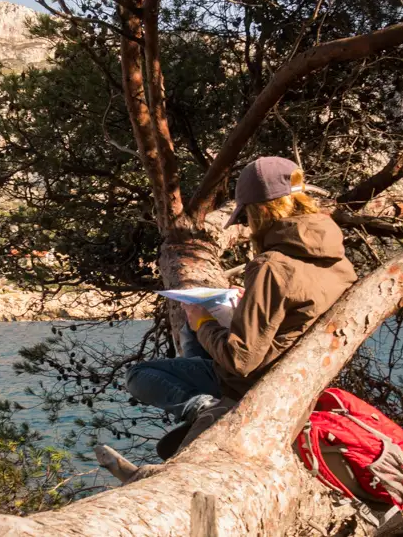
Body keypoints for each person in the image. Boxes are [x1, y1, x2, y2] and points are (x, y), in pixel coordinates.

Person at [125, 156, 357, 458]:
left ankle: (206, 410)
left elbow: (241, 360)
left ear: (260, 211)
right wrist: (251, 301)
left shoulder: (271, 266)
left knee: (139, 374)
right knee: (191, 333)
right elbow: (298, 306)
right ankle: (205, 398)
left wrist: (203, 322)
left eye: (246, 216)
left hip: (252, 382)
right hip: (294, 373)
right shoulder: (339, 262)